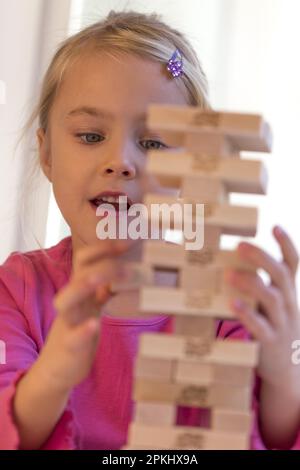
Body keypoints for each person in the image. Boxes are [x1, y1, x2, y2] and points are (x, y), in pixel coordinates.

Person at [0, 10, 299, 450]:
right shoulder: (17, 290)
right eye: (89, 135)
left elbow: (274, 437)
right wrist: (56, 372)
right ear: (46, 155)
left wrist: (281, 374)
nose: (120, 160)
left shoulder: (225, 301)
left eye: (154, 142)